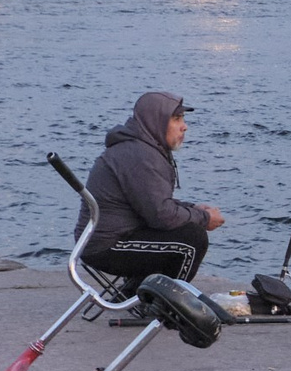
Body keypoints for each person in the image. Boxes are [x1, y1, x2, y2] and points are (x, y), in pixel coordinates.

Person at [80, 90, 223, 287]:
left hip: (114, 237)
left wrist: (194, 209)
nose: (184, 127)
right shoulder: (141, 156)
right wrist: (204, 218)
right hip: (107, 246)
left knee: (185, 230)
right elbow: (161, 215)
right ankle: (166, 305)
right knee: (192, 240)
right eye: (177, 119)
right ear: (157, 121)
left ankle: (137, 294)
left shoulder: (142, 148)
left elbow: (154, 203)